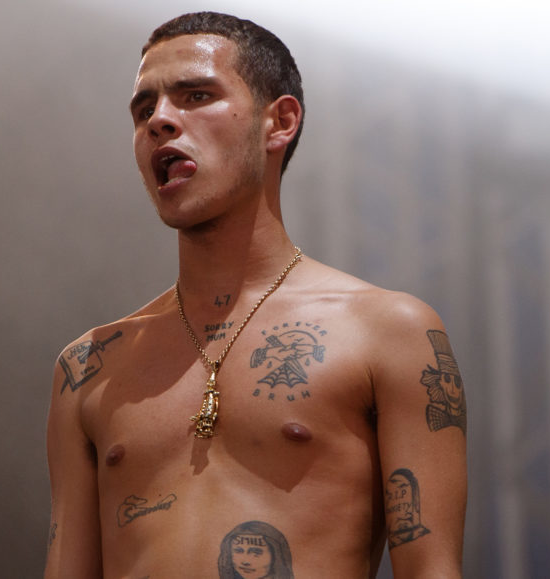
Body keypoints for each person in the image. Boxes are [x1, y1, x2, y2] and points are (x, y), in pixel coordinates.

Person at [45, 11, 467, 578]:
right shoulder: (89, 367)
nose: (159, 120)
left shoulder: (388, 332)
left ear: (279, 122)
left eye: (196, 96)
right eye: (144, 110)